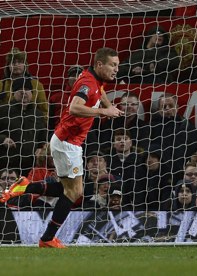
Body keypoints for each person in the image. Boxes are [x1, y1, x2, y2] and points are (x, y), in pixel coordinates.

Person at [0, 47, 124, 248]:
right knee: (73, 193)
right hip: (67, 142)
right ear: (99, 64)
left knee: (73, 190)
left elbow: (100, 91)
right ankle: (47, 238)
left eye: (117, 65)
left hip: (69, 141)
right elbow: (75, 107)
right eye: (113, 65)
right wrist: (104, 111)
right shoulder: (86, 83)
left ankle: (26, 187)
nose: (116, 69)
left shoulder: (94, 79)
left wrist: (109, 106)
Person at [0, 77, 48, 176]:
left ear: (32, 93)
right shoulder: (3, 111)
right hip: (6, 164)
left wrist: (41, 148)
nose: (23, 92)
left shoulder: (38, 114)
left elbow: (42, 137)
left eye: (27, 89)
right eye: (19, 90)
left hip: (30, 166)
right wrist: (3, 139)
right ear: (13, 93)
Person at [0, 48, 48, 119]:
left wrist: (42, 126)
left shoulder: (36, 85)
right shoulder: (1, 85)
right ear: (8, 66)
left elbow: (44, 110)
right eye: (13, 62)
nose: (16, 65)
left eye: (19, 62)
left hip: (31, 124)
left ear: (25, 64)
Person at [49, 65, 84, 130]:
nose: (76, 78)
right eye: (73, 75)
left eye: (79, 75)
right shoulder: (55, 98)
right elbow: (50, 123)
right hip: (60, 133)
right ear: (67, 79)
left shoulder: (91, 96)